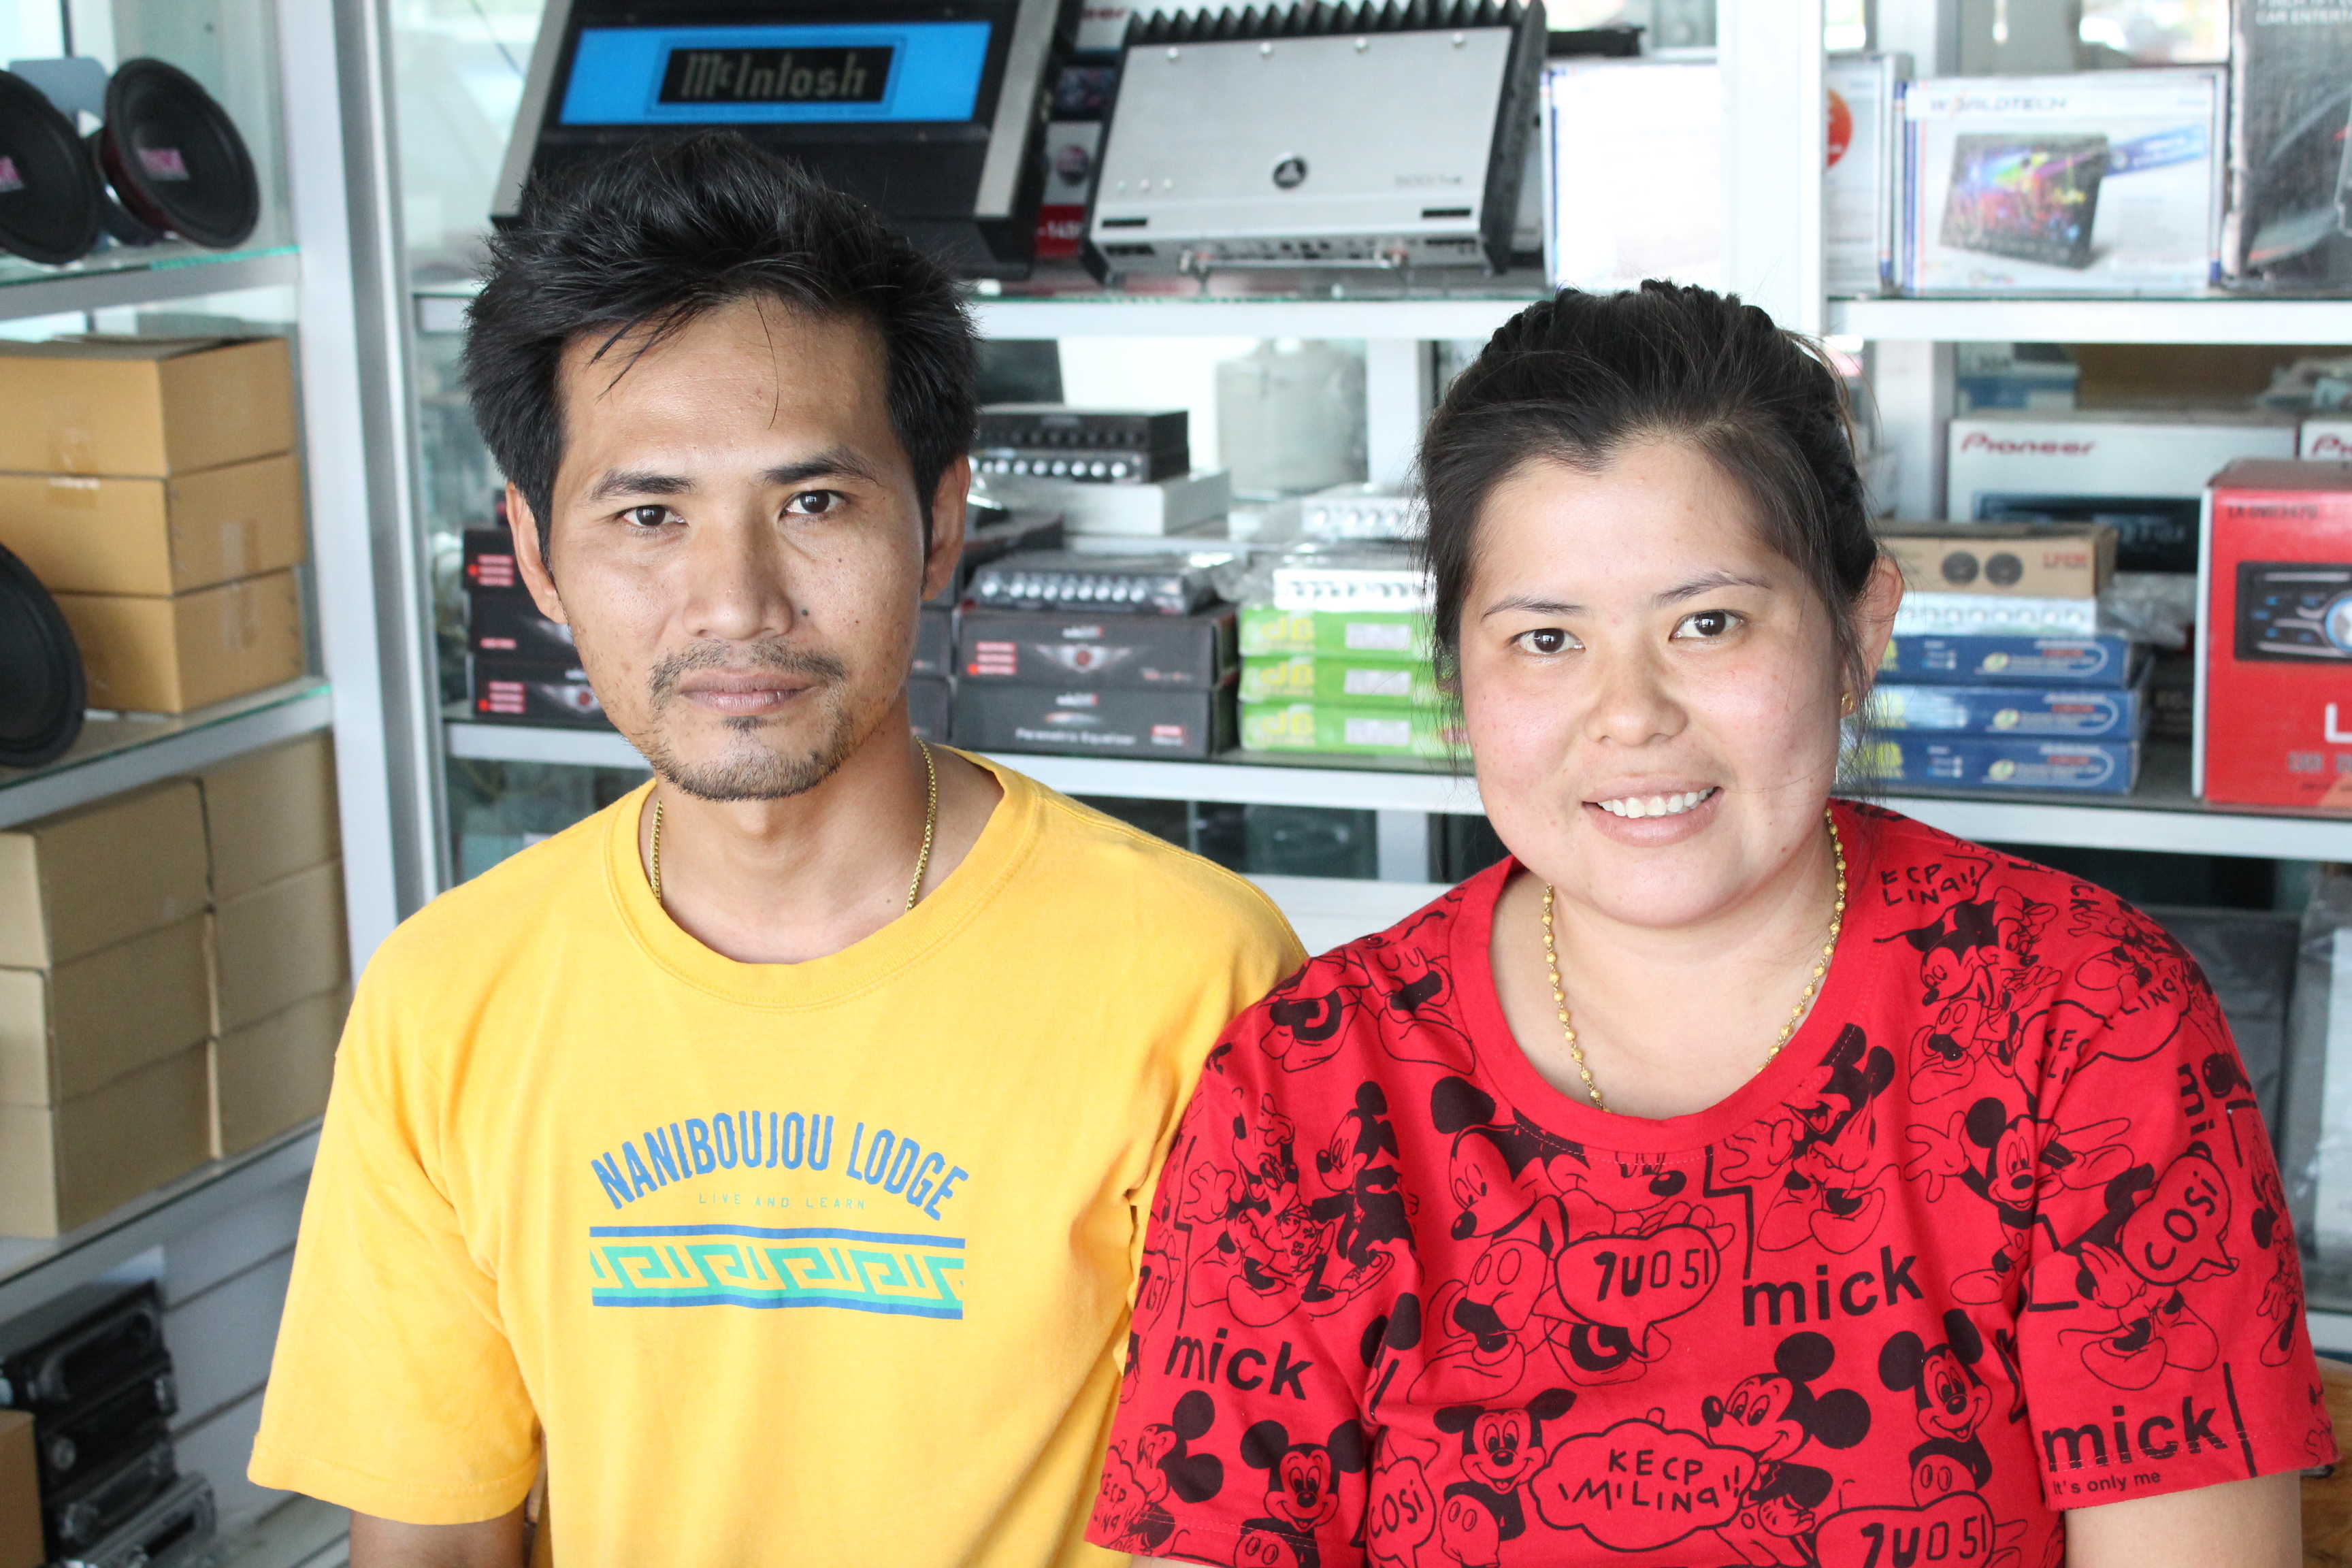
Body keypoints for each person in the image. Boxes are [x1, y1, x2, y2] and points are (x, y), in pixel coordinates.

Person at [1090, 282, 2332, 1568]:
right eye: (1547, 639)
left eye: (1709, 623)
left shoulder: (2086, 1021)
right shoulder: (1306, 1087)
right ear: (1457, 677)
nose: (1631, 714)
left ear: (1859, 631)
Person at [248, 131, 1302, 1567]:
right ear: (537, 556)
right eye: (648, 515)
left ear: (940, 524)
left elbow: (1232, 1528)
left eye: (814, 503)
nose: (735, 602)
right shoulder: (449, 997)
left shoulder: (1192, 976)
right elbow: (430, 1537)